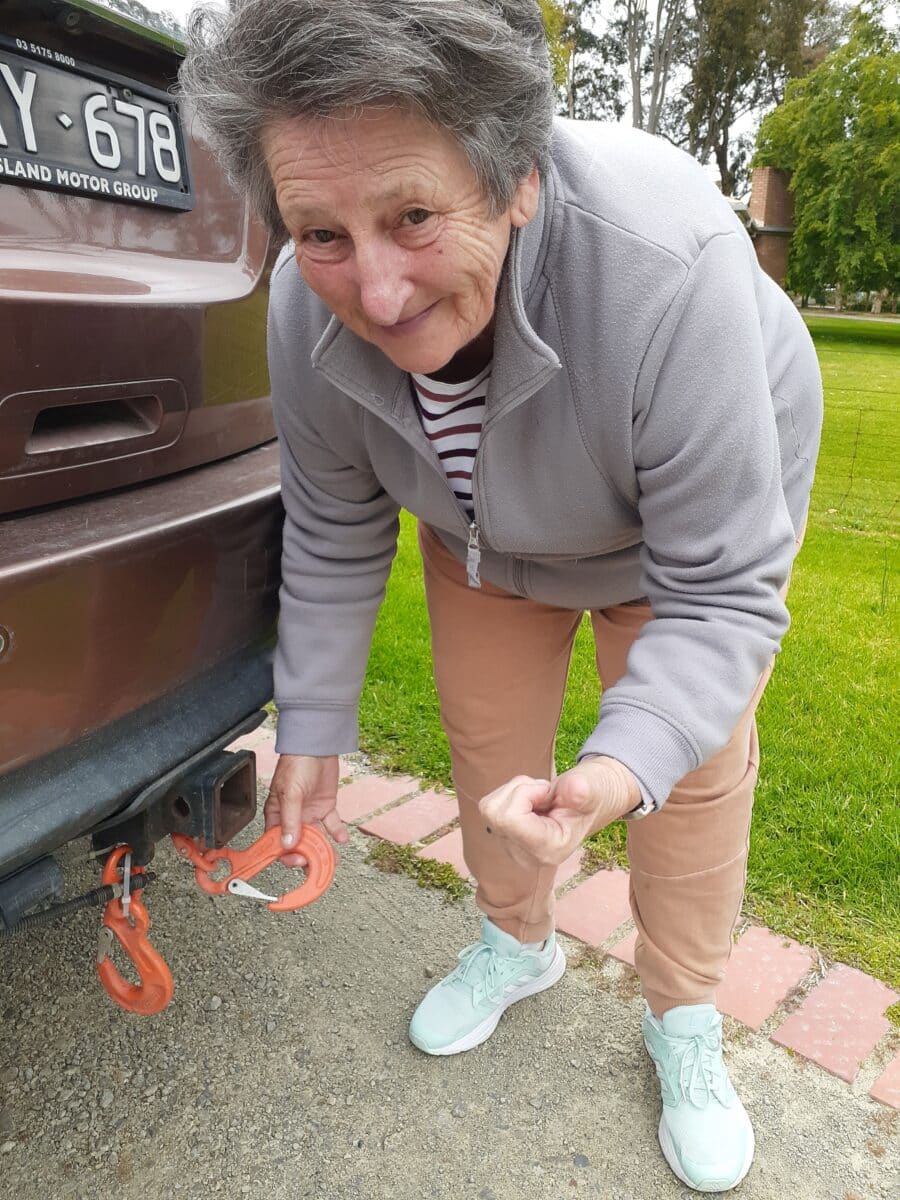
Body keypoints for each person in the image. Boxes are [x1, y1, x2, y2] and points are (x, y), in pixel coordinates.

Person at [182, 1, 823, 1191]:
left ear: (515, 176)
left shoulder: (666, 266)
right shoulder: (301, 305)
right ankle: (515, 942)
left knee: (682, 780)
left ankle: (683, 1015)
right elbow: (331, 524)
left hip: (672, 548)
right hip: (484, 537)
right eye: (320, 232)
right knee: (490, 761)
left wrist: (618, 768)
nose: (373, 294)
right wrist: (313, 724)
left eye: (414, 216)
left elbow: (725, 593)